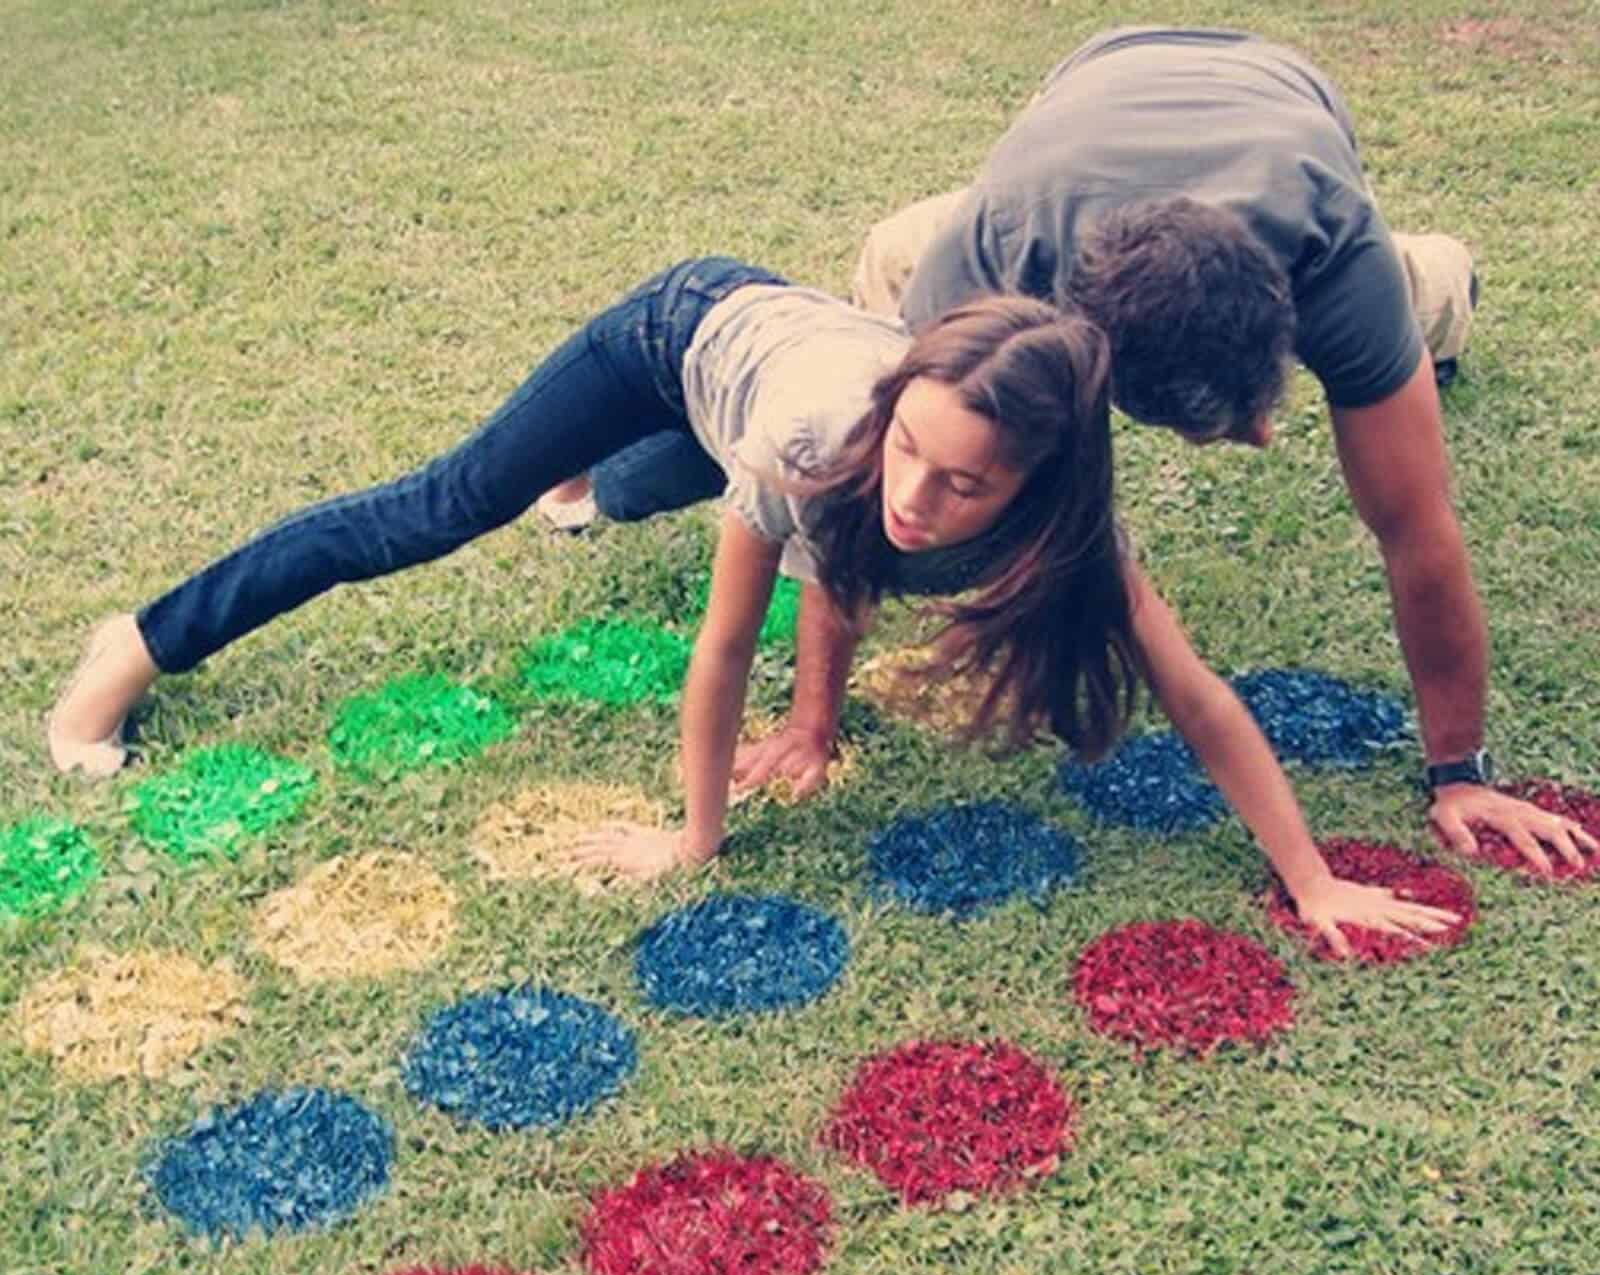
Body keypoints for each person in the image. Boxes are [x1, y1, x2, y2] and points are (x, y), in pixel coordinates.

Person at [47, 255, 1458, 951]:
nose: (920, 497)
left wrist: (1315, 874)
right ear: (899, 402)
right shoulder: (823, 448)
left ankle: (603, 486)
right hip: (686, 333)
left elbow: (1201, 701)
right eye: (913, 449)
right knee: (451, 502)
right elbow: (731, 647)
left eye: (966, 486)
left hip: (760, 409)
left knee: (684, 491)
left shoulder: (1076, 532)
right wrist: (694, 835)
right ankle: (140, 640)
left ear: (1035, 485)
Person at [556, 27, 1592, 877]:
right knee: (897, 316)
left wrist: (1461, 766)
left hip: (1288, 108)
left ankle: (1445, 284)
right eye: (1222, 428)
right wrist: (811, 717)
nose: (1263, 440)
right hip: (1088, 100)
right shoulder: (1001, 253)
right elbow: (858, 495)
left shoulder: (1335, 257)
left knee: (1418, 304)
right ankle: (626, 471)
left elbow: (1418, 534)